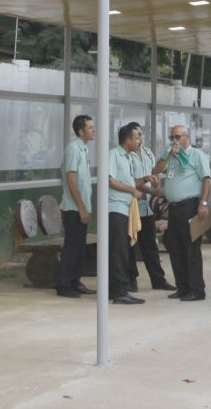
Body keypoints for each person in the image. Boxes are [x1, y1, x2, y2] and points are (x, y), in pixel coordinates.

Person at [154, 124, 211, 301]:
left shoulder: (196, 155)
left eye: (178, 137)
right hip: (174, 207)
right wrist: (167, 155)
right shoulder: (172, 156)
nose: (175, 141)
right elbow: (157, 170)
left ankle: (196, 289)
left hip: (190, 205)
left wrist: (203, 203)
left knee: (190, 247)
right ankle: (182, 286)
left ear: (187, 137)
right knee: (174, 245)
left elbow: (207, 180)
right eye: (172, 137)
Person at [126, 123, 172, 293]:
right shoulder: (126, 155)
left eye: (141, 134)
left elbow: (154, 172)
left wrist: (157, 183)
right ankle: (131, 279)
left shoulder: (147, 152)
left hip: (147, 208)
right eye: (136, 134)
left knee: (150, 245)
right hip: (132, 207)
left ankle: (158, 279)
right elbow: (132, 181)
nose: (140, 137)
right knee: (130, 244)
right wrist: (153, 191)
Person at [104, 122, 146, 304]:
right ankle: (119, 292)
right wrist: (132, 190)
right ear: (127, 139)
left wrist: (144, 180)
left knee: (122, 250)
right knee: (118, 251)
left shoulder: (129, 157)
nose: (139, 140)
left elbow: (129, 181)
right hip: (116, 209)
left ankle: (115, 289)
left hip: (126, 209)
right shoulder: (113, 154)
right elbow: (111, 181)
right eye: (137, 137)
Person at [58, 114, 95, 298]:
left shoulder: (84, 149)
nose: (93, 130)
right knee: (72, 247)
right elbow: (71, 180)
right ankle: (63, 285)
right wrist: (81, 207)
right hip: (73, 208)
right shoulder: (73, 149)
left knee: (80, 247)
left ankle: (75, 281)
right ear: (81, 131)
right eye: (90, 127)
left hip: (82, 207)